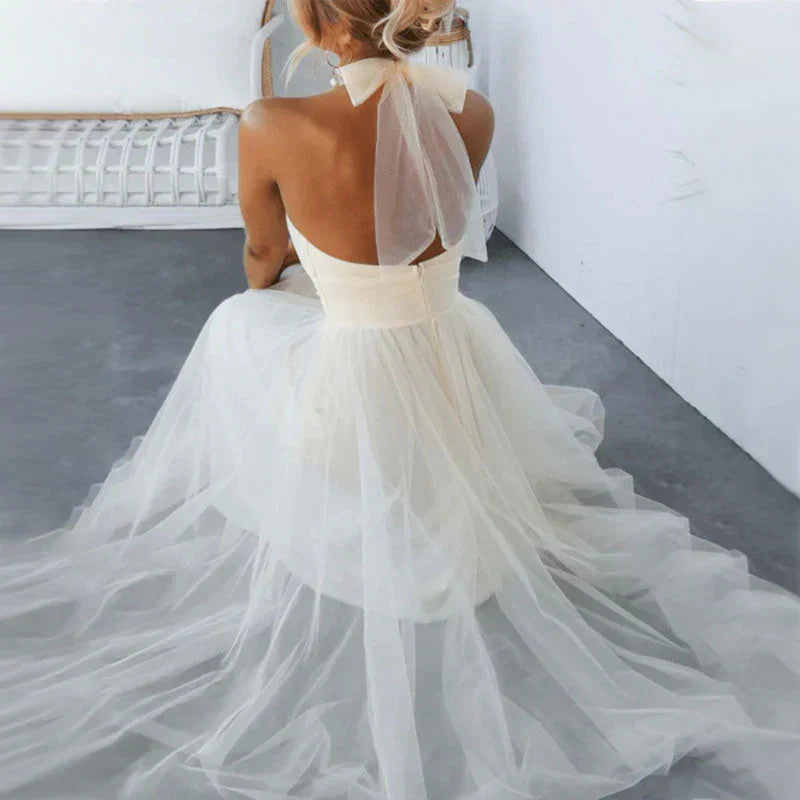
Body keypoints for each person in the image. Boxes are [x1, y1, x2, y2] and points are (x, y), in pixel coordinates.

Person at [1, 1, 799, 798]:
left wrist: (295, 275)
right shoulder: (473, 111)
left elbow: (263, 254)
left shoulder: (273, 122)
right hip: (450, 347)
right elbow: (414, 224)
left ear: (316, 21)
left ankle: (328, 478)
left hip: (351, 366)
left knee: (241, 321)